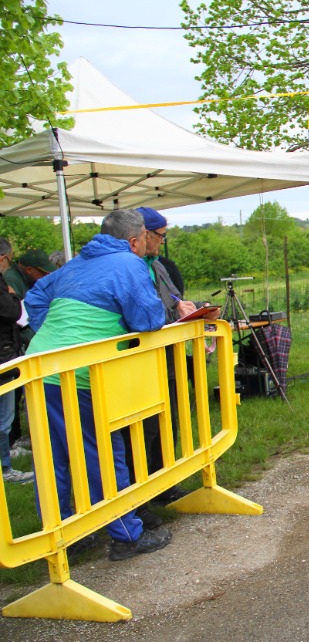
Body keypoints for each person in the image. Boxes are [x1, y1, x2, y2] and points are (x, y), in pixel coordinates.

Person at [25, 209, 172, 561]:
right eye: (144, 239)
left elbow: (34, 300)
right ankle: (126, 536)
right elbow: (147, 318)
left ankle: (62, 536)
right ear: (134, 241)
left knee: (51, 457)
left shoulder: (75, 264)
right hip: (81, 372)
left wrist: (59, 336)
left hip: (39, 366)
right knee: (103, 452)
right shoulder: (129, 263)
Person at [131, 207, 199, 509]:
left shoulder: (158, 264)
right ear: (144, 235)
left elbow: (173, 299)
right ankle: (141, 494)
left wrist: (189, 308)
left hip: (167, 355)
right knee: (143, 429)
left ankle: (165, 484)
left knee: (167, 421)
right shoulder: (129, 267)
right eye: (160, 236)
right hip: (141, 359)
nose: (162, 241)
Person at [0, 239, 33, 484]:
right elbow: (12, 312)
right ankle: (5, 468)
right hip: (3, 354)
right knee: (4, 417)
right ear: (3, 258)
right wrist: (11, 296)